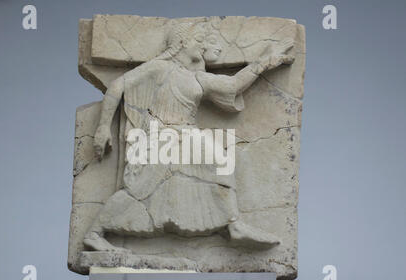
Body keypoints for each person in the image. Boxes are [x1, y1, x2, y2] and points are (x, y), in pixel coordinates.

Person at [83, 21, 295, 251]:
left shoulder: (196, 78)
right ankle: (94, 233)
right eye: (198, 41)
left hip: (187, 135)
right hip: (160, 137)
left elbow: (232, 85)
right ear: (183, 42)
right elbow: (117, 86)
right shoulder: (159, 68)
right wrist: (103, 127)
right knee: (140, 189)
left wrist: (265, 61)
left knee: (221, 163)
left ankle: (233, 224)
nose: (202, 46)